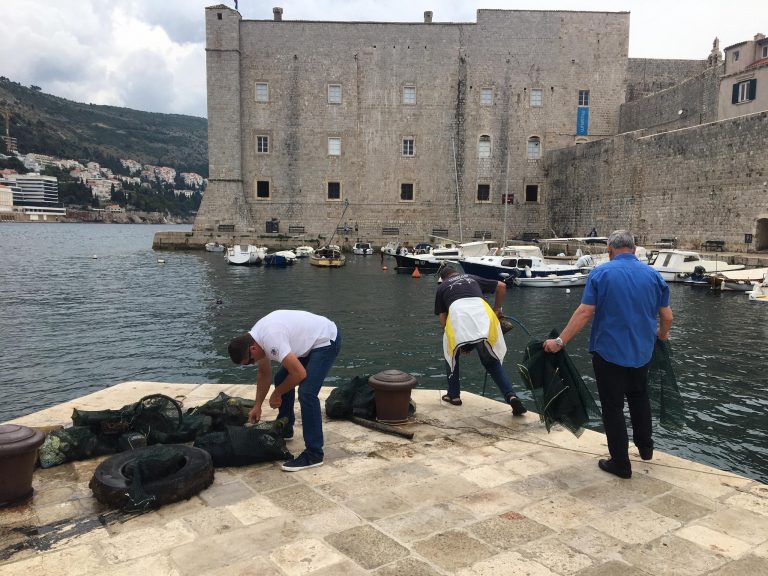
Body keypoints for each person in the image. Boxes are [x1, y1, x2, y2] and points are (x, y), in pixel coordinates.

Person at [543, 229, 673, 479]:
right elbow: (667, 316)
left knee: (613, 407)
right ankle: (645, 448)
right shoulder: (654, 275)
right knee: (639, 397)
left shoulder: (601, 273)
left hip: (609, 353)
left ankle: (621, 463)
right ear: (634, 249)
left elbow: (584, 313)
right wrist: (663, 335)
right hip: (642, 353)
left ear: (610, 250)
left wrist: (560, 341)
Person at [228, 310, 341, 471]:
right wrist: (257, 406)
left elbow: (299, 374)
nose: (251, 363)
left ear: (252, 349)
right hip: (307, 343)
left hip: (326, 340)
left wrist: (277, 393)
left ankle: (314, 454)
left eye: (249, 361)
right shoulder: (256, 339)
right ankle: (286, 428)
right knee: (281, 378)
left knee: (307, 393)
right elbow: (264, 374)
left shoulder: (270, 338)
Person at [434, 265, 527, 415]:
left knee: (450, 353)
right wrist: (497, 309)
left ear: (443, 278)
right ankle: (511, 396)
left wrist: (459, 342)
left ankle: (454, 395)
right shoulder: (472, 278)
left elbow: (443, 321)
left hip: (459, 319)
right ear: (456, 273)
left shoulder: (442, 287)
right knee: (491, 361)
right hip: (483, 316)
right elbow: (502, 286)